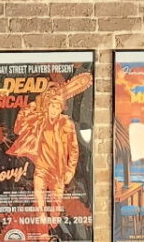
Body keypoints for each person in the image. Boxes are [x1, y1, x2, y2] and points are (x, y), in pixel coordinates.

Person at [8, 71, 93, 232]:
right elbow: (18, 127)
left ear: (61, 108)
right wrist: (34, 105)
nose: (54, 109)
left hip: (59, 172)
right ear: (47, 106)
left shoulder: (67, 124)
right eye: (51, 106)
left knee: (55, 209)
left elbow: (74, 149)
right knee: (39, 207)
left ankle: (53, 231)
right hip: (41, 170)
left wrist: (70, 170)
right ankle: (42, 234)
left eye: (57, 106)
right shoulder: (39, 120)